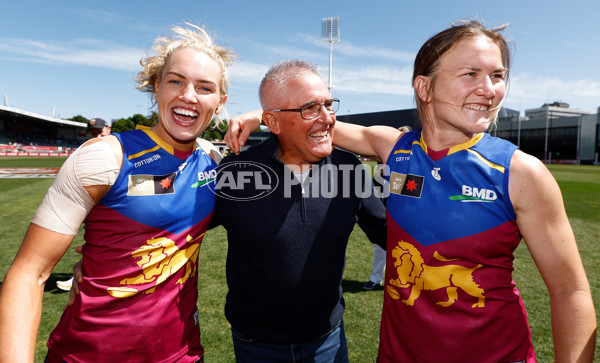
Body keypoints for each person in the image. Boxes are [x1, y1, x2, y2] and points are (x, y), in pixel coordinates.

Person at [226, 21, 596, 362]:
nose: (489, 90)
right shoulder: (396, 149)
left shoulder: (521, 172)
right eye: (471, 74)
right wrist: (263, 116)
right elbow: (319, 126)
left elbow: (571, 292)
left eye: (498, 75)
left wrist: (263, 117)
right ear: (424, 87)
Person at [0, 23, 234, 362]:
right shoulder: (104, 157)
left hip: (182, 353)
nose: (188, 95)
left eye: (204, 87)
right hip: (86, 354)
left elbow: (167, 199)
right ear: (157, 88)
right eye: (176, 81)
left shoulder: (213, 160)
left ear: (220, 101)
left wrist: (259, 116)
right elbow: (29, 272)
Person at [214, 60, 386, 362]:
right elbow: (179, 230)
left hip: (328, 342)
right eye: (310, 108)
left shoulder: (349, 168)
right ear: (274, 122)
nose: (327, 118)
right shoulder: (237, 170)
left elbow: (393, 236)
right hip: (256, 346)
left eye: (329, 105)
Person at [56, 117, 114, 292]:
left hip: (117, 208)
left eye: (100, 131)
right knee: (95, 242)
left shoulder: (122, 146)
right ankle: (86, 275)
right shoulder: (91, 150)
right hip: (97, 206)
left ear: (108, 128)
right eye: (93, 133)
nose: (97, 136)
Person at [363, 125, 411, 291]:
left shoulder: (413, 161)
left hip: (405, 211)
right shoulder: (385, 155)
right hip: (384, 205)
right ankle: (375, 279)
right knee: (381, 245)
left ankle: (403, 281)